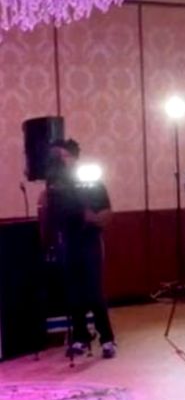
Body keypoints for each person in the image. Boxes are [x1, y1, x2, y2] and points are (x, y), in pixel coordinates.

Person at [40, 139, 117, 358]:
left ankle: (107, 339)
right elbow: (51, 216)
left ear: (73, 158)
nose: (59, 162)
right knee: (73, 293)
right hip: (68, 241)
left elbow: (107, 214)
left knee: (94, 291)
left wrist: (91, 217)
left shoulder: (90, 181)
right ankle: (81, 337)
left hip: (89, 240)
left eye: (62, 157)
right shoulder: (53, 186)